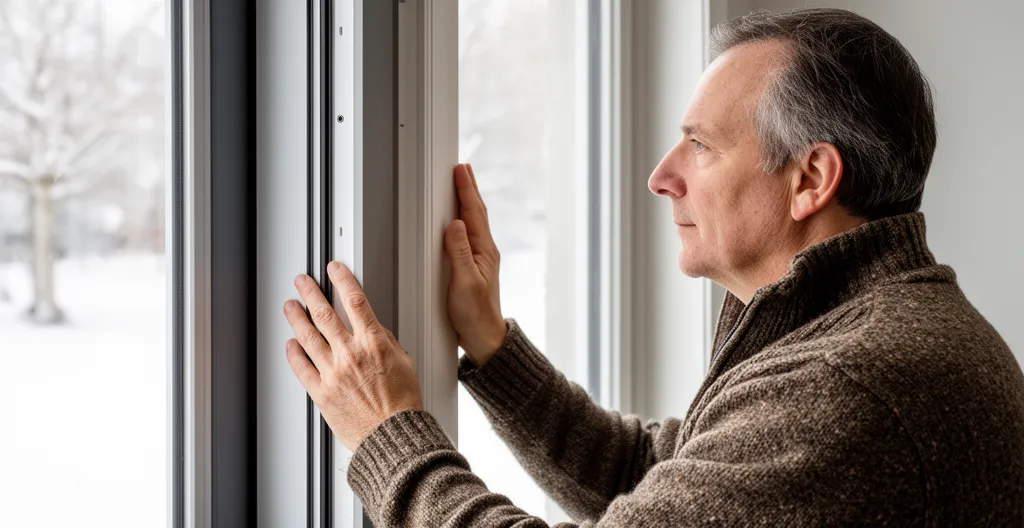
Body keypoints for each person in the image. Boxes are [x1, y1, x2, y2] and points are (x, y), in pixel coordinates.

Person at [281, 8, 1024, 526]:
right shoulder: (869, 328)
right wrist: (495, 351)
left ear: (810, 180)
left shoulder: (854, 383)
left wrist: (389, 433)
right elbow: (664, 479)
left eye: (700, 145)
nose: (662, 176)